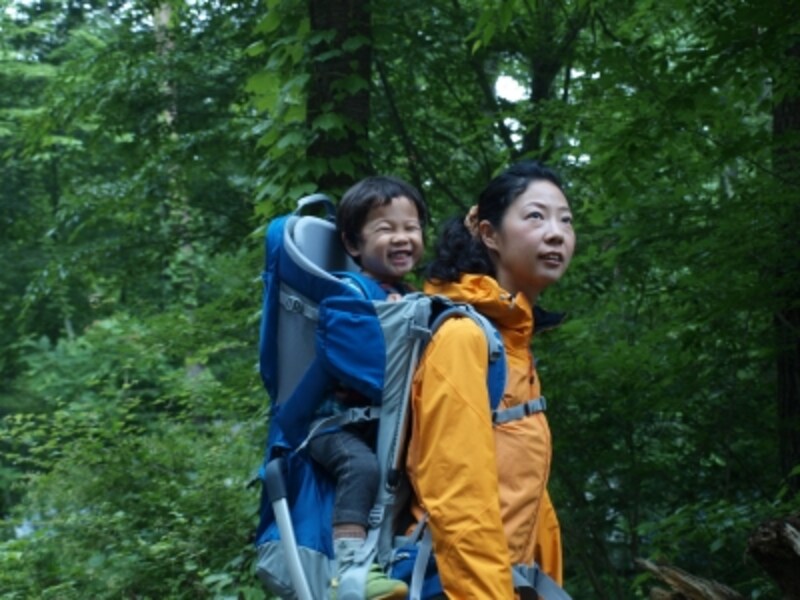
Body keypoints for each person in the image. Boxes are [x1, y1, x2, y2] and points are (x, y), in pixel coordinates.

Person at [405, 159, 575, 598]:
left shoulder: (513, 343)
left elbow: (525, 498)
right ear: (488, 234)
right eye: (535, 216)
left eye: (566, 220)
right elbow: (457, 502)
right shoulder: (463, 338)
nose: (556, 232)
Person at [308, 175, 428, 600]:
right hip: (330, 427)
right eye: (386, 229)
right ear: (354, 244)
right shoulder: (349, 295)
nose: (402, 238)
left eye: (411, 228)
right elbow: (368, 371)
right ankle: (351, 572)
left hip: (376, 426)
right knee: (361, 469)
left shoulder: (407, 295)